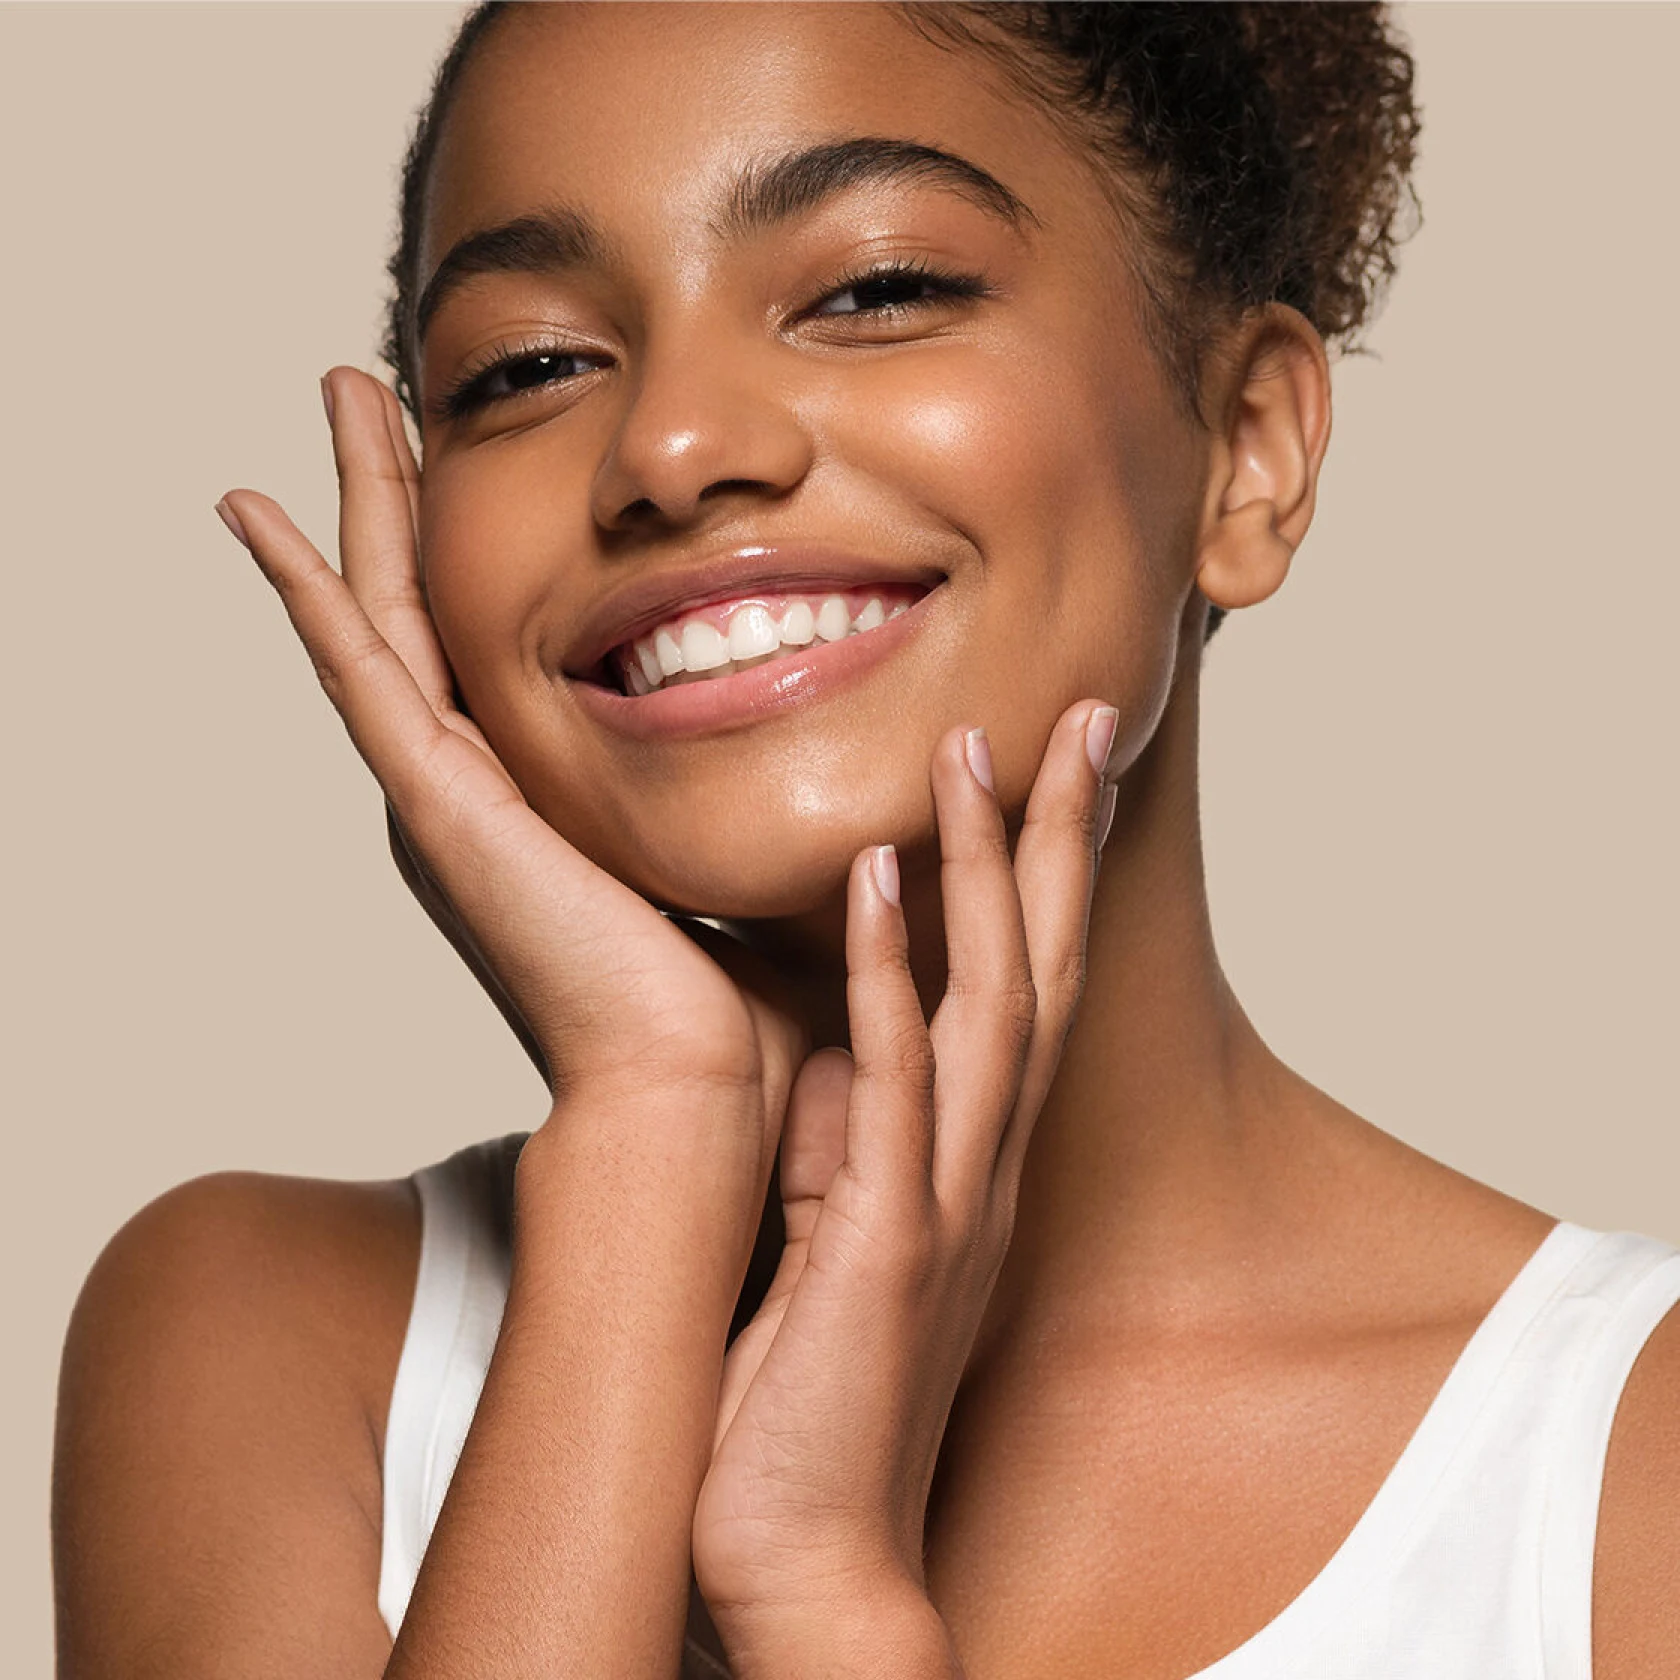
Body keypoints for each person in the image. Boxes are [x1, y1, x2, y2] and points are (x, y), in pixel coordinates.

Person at [50, 4, 1680, 1677]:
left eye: (875, 290)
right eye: (524, 368)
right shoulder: (266, 1339)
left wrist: (826, 1602)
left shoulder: (1632, 1478)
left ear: (1247, 453)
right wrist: (650, 1134)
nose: (673, 448)